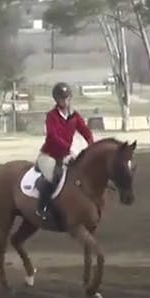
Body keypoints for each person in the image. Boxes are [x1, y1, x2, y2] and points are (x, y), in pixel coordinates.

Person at [35, 82, 94, 220]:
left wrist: (92, 145)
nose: (65, 101)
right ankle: (41, 207)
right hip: (49, 156)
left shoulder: (74, 116)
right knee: (54, 176)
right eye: (62, 98)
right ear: (57, 100)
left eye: (67, 98)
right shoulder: (51, 116)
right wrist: (69, 149)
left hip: (67, 155)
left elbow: (85, 131)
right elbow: (52, 136)